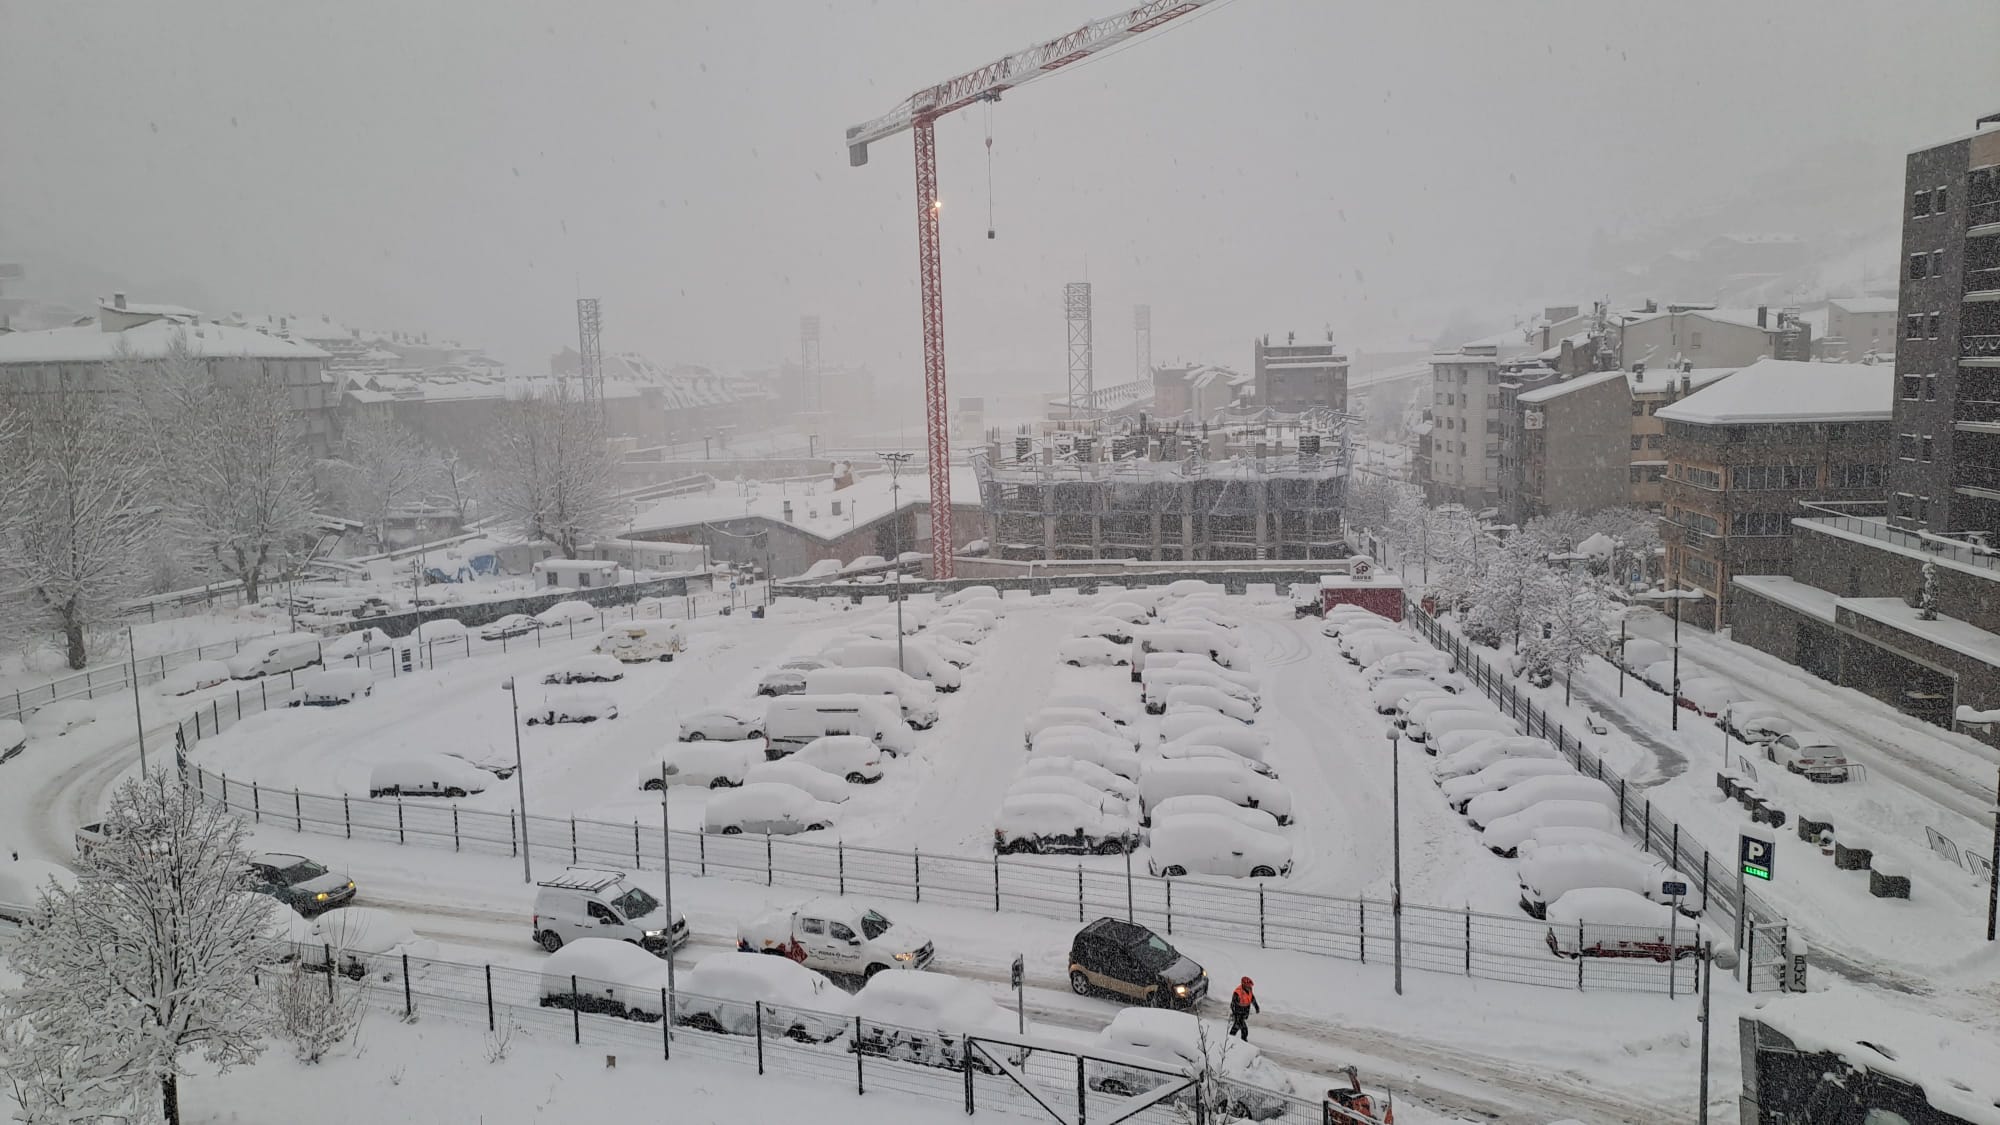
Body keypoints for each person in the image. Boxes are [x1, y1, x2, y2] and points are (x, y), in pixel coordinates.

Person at [1227, 976, 1258, 1041]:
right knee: (1244, 1030)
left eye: (1250, 986)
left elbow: (1252, 998)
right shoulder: (1238, 992)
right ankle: (1243, 1042)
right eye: (1248, 986)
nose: (1250, 987)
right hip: (1238, 1014)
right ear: (1244, 985)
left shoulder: (1249, 990)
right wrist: (1235, 1015)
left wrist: (1256, 1006)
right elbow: (1233, 1004)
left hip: (1244, 1013)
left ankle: (1229, 1040)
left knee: (1236, 1027)